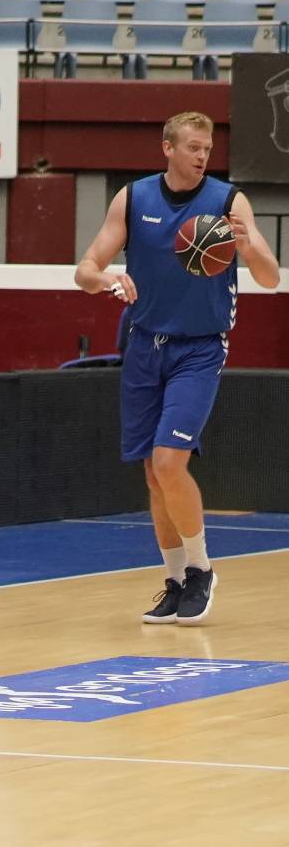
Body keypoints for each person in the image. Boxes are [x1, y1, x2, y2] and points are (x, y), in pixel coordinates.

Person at [75, 111, 279, 625]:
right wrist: (107, 280)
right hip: (145, 346)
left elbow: (270, 277)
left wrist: (247, 242)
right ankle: (176, 579)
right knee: (152, 473)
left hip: (201, 348)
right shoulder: (134, 197)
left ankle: (204, 569)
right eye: (192, 146)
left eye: (207, 148)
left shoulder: (229, 202)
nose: (202, 155)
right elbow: (85, 269)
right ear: (167, 148)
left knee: (170, 462)